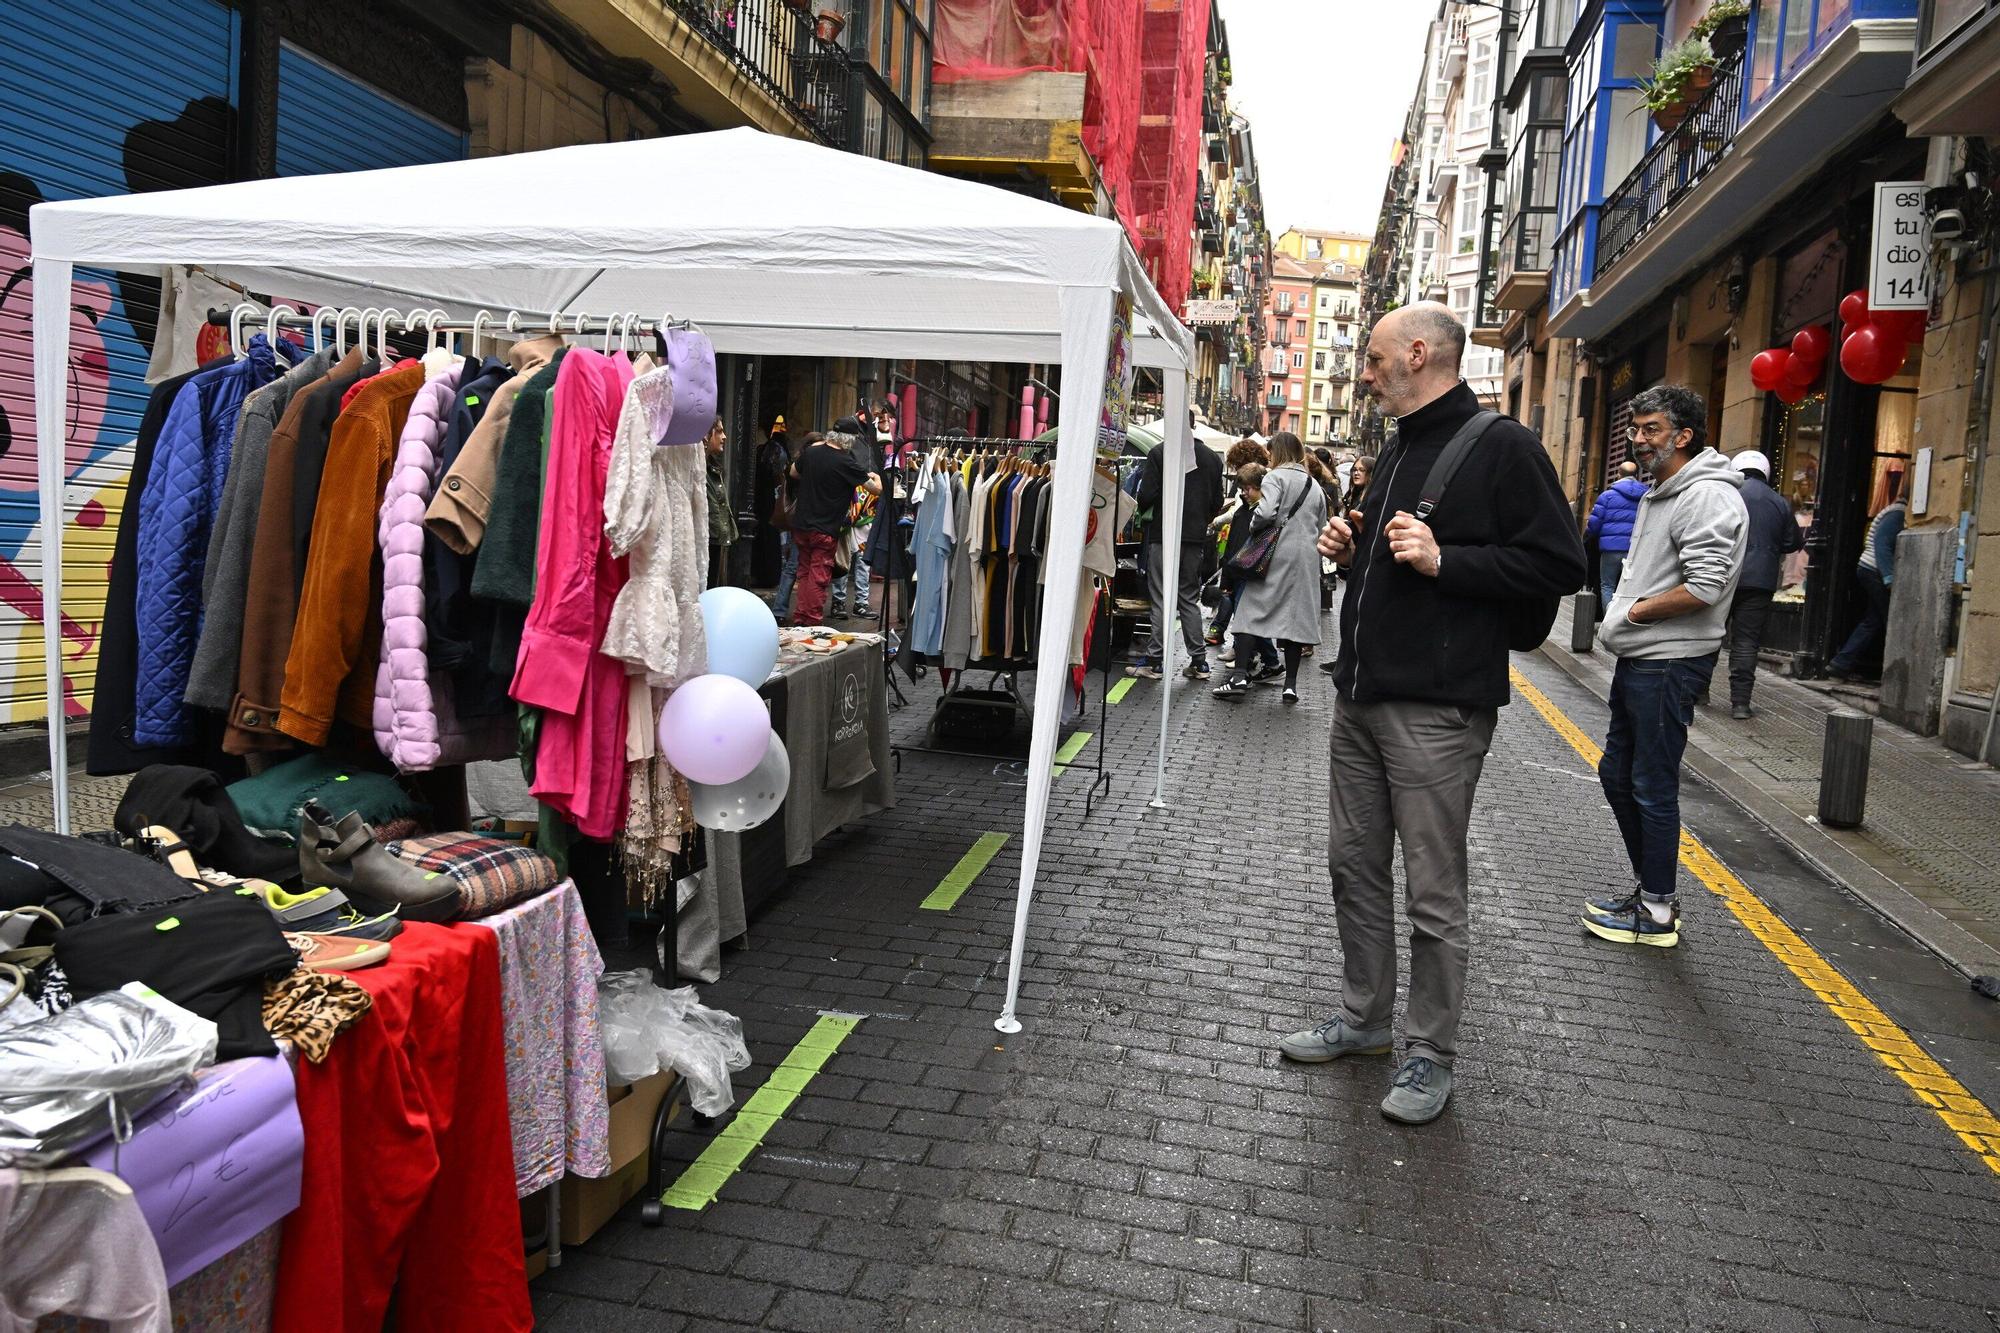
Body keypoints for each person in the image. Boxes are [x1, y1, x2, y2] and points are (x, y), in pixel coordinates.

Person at [1284, 301, 1584, 1126]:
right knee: (1352, 865)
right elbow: (1399, 555)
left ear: (1418, 353)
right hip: (1360, 695)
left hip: (1438, 709)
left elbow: (1560, 561)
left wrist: (1447, 558)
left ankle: (1430, 1053)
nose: (1365, 374)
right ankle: (1365, 1019)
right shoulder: (1397, 444)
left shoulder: (1505, 446)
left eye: (1375, 359)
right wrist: (1354, 549)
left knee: (1432, 888)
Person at [1584, 385, 1747, 950]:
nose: (1638, 438)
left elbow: (1705, 586)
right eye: (1635, 428)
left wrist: (1632, 612)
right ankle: (1650, 890)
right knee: (1618, 775)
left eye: (1651, 428)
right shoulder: (1665, 491)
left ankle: (1656, 911)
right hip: (1645, 657)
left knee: (1651, 785)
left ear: (1684, 436)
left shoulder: (1707, 496)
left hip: (1670, 661)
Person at [1213, 433, 1325, 702]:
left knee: (1248, 611)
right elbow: (1321, 524)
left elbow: (1264, 513)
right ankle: (1290, 686)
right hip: (1306, 558)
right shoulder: (1314, 485)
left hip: (1275, 554)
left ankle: (1239, 676)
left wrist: (1253, 527)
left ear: (1278, 452)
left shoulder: (1274, 478)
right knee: (1295, 620)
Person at [1129, 424, 1224, 681]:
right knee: (1188, 598)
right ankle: (1199, 662)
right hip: (1194, 538)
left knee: (1161, 597)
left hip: (1164, 534)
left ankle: (1154, 661)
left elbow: (1146, 496)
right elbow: (1217, 501)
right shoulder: (1212, 458)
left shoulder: (1160, 453)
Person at [1726, 450, 1804, 718]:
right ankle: (1740, 703)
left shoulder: (1728, 493)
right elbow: (1793, 542)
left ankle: (1698, 692)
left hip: (1724, 574)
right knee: (1746, 642)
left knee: (1710, 634)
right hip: (1760, 580)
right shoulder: (1779, 501)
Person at [788, 420, 880, 626]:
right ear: (849, 439)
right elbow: (875, 490)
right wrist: (877, 477)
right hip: (825, 528)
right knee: (818, 576)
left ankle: (801, 617)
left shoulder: (811, 453)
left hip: (801, 524)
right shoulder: (846, 462)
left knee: (805, 573)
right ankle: (811, 621)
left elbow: (793, 472)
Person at [1827, 484, 1907, 682]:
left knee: (1873, 620)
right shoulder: (1899, 513)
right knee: (1892, 620)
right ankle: (1895, 676)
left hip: (1870, 569)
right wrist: (1889, 578)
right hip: (1875, 571)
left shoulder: (1895, 510)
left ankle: (1840, 665)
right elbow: (1882, 544)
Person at [1209, 464, 1279, 676]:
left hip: (1249, 572)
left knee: (1247, 620)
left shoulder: (1260, 514)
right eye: (1242, 489)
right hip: (1239, 571)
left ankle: (1256, 658)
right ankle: (1266, 660)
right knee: (1246, 619)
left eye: (1248, 488)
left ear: (1260, 487)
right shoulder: (1244, 510)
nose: (1244, 493)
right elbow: (1232, 546)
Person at [1585, 460, 1646, 607]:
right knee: (1630, 587)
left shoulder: (1607, 496)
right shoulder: (1646, 495)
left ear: (1619, 474)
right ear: (1636, 475)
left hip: (1610, 548)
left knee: (1607, 585)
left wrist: (1588, 537)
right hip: (1635, 549)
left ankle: (1608, 617)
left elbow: (1594, 524)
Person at [772, 431, 818, 622]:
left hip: (802, 520)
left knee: (795, 567)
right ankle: (781, 610)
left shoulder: (798, 465)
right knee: (794, 567)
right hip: (804, 520)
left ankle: (783, 610)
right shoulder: (802, 467)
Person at [751, 417, 791, 586]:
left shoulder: (768, 449)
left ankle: (766, 574)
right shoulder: (777, 449)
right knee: (773, 536)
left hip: (765, 498)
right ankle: (771, 574)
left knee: (768, 535)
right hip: (771, 498)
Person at [703, 418, 738, 589]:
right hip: (706, 537)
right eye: (719, 431)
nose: (724, 436)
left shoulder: (713, 468)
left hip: (714, 538)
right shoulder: (700, 469)